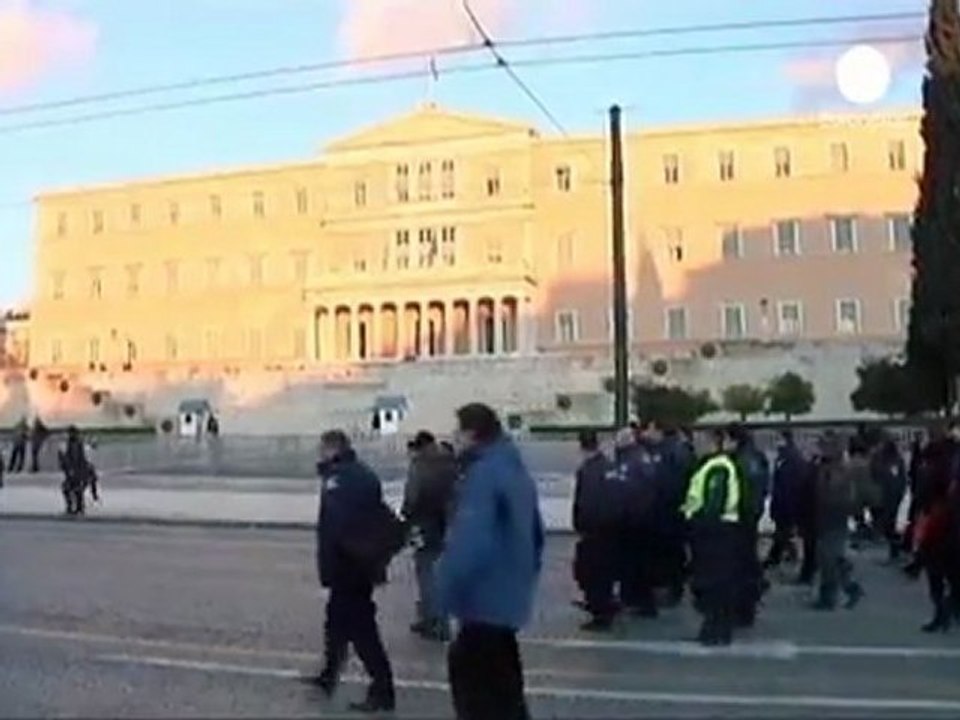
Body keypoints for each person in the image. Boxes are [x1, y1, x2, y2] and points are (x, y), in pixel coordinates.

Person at [436, 403, 544, 720]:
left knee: (477, 697)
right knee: (508, 695)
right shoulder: (515, 469)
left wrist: (442, 597)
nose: (454, 438)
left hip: (482, 602)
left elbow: (470, 542)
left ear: (471, 434)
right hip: (507, 602)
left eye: (457, 431)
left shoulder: (483, 475)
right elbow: (536, 536)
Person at [304, 430, 397, 714]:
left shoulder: (338, 481)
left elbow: (334, 532)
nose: (318, 453)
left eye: (321, 447)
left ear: (332, 448)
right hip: (363, 563)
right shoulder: (361, 473)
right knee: (336, 624)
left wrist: (328, 572)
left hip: (349, 567)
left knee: (361, 631)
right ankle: (329, 674)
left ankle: (382, 689)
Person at [682, 428, 745, 646]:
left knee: (715, 582)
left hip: (715, 532)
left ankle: (716, 628)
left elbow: (713, 504)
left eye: (703, 441)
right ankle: (717, 627)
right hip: (716, 531)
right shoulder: (713, 466)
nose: (698, 445)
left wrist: (697, 522)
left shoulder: (718, 468)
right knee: (717, 581)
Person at [401, 430, 458, 642]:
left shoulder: (421, 466)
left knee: (425, 571)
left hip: (424, 524)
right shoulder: (451, 462)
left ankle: (434, 621)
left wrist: (405, 518)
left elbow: (412, 496)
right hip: (449, 524)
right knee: (439, 573)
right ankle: (436, 620)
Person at [572, 429, 623, 631]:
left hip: (595, 529)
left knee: (591, 573)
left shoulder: (588, 470)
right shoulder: (610, 466)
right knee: (605, 572)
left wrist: (581, 524)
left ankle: (600, 612)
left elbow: (587, 502)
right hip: (612, 527)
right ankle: (606, 604)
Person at [811, 433, 863, 611]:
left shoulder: (837, 470)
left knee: (829, 559)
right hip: (829, 519)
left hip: (833, 519)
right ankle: (847, 589)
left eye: (824, 446)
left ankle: (834, 595)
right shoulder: (829, 468)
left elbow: (833, 495)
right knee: (831, 558)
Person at [617, 421, 663, 618]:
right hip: (640, 518)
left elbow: (634, 489)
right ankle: (635, 599)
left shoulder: (633, 460)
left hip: (637, 519)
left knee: (638, 563)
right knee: (636, 562)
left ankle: (643, 602)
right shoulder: (639, 457)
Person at [728, 425, 770, 627]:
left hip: (742, 518)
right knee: (748, 561)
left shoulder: (741, 461)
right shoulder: (756, 457)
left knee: (741, 564)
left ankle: (744, 609)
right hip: (751, 515)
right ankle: (748, 606)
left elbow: (743, 492)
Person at [765, 431, 806, 569]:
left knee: (783, 531)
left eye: (778, 439)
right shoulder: (789, 457)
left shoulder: (788, 459)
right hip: (786, 501)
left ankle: (776, 557)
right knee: (784, 531)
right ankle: (784, 554)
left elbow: (786, 483)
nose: (776, 443)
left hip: (786, 501)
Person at [873, 439, 908, 562]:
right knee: (890, 522)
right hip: (892, 495)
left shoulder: (883, 461)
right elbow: (902, 479)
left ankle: (895, 550)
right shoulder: (896, 461)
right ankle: (895, 550)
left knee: (888, 523)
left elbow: (876, 477)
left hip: (887, 496)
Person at [58, 426, 88, 516]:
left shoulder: (75, 443)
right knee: (75, 490)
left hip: (75, 471)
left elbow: (75, 458)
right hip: (76, 471)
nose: (68, 435)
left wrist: (71, 469)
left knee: (70, 489)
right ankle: (78, 508)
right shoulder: (74, 442)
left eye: (70, 433)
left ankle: (74, 508)